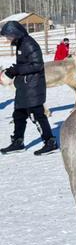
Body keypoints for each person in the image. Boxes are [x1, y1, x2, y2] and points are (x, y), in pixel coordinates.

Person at [0, 21, 58, 156]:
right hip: (24, 85)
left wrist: (17, 70)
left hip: (33, 86)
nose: (8, 39)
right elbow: (25, 63)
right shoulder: (20, 43)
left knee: (37, 115)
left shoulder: (29, 44)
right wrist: (13, 70)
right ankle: (18, 142)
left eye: (9, 36)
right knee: (18, 114)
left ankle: (50, 142)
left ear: (16, 33)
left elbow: (37, 65)